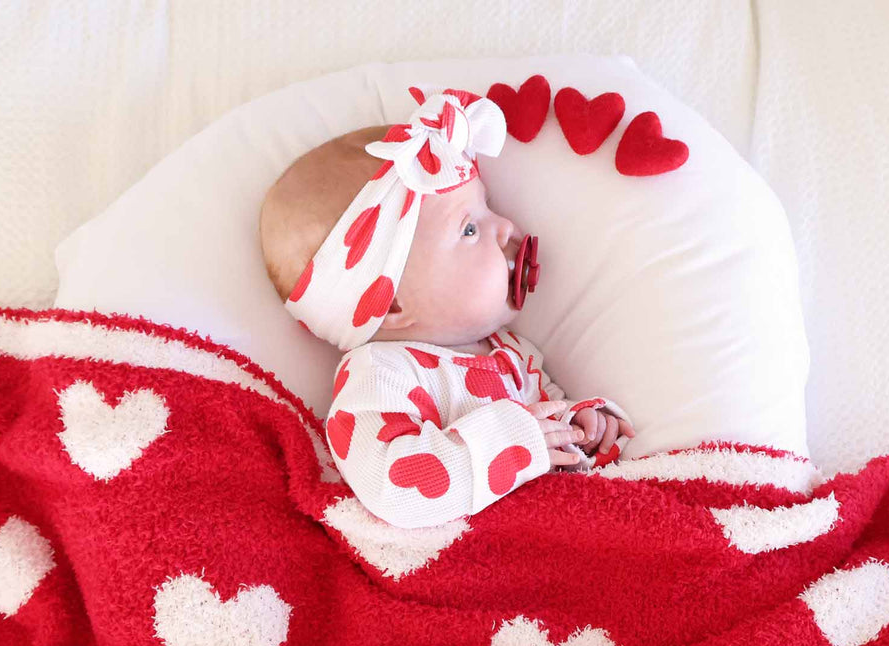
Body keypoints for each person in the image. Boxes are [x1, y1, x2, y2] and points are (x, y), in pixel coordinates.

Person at [259, 85, 634, 529]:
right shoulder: (377, 374)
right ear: (391, 302)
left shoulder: (513, 353)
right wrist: (512, 443)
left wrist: (581, 426)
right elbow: (391, 486)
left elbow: (548, 417)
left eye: (487, 207)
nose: (506, 225)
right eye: (469, 229)